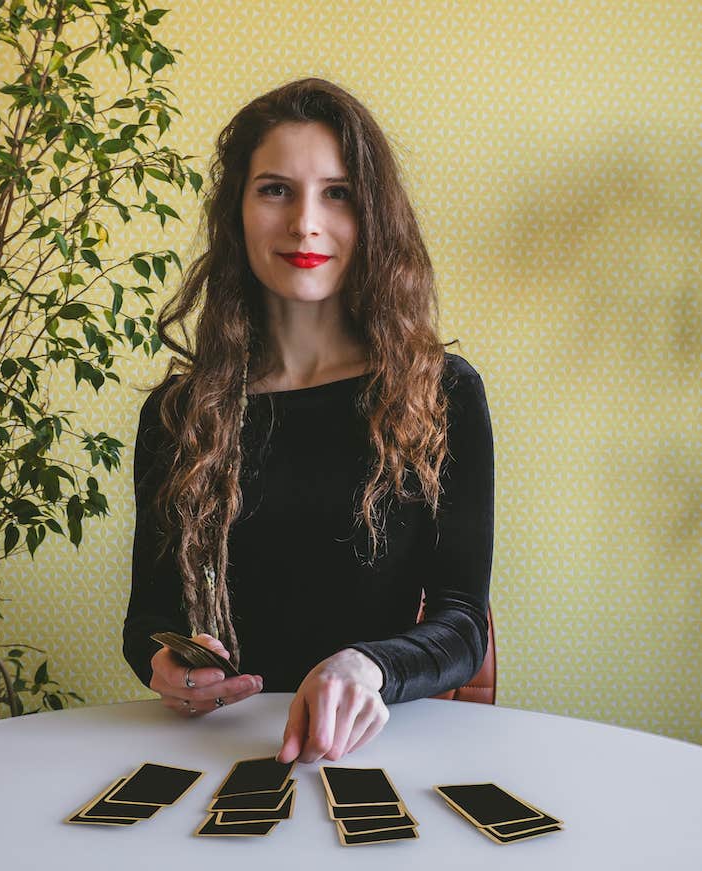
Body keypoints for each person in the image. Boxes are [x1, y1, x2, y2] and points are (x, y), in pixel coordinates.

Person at [123, 78, 494, 765]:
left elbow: (462, 621)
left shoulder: (444, 394)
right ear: (235, 210)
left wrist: (366, 665)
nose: (305, 222)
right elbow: (150, 616)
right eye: (275, 190)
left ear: (372, 214)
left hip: (385, 743)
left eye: (337, 192)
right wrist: (166, 662)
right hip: (227, 749)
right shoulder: (176, 414)